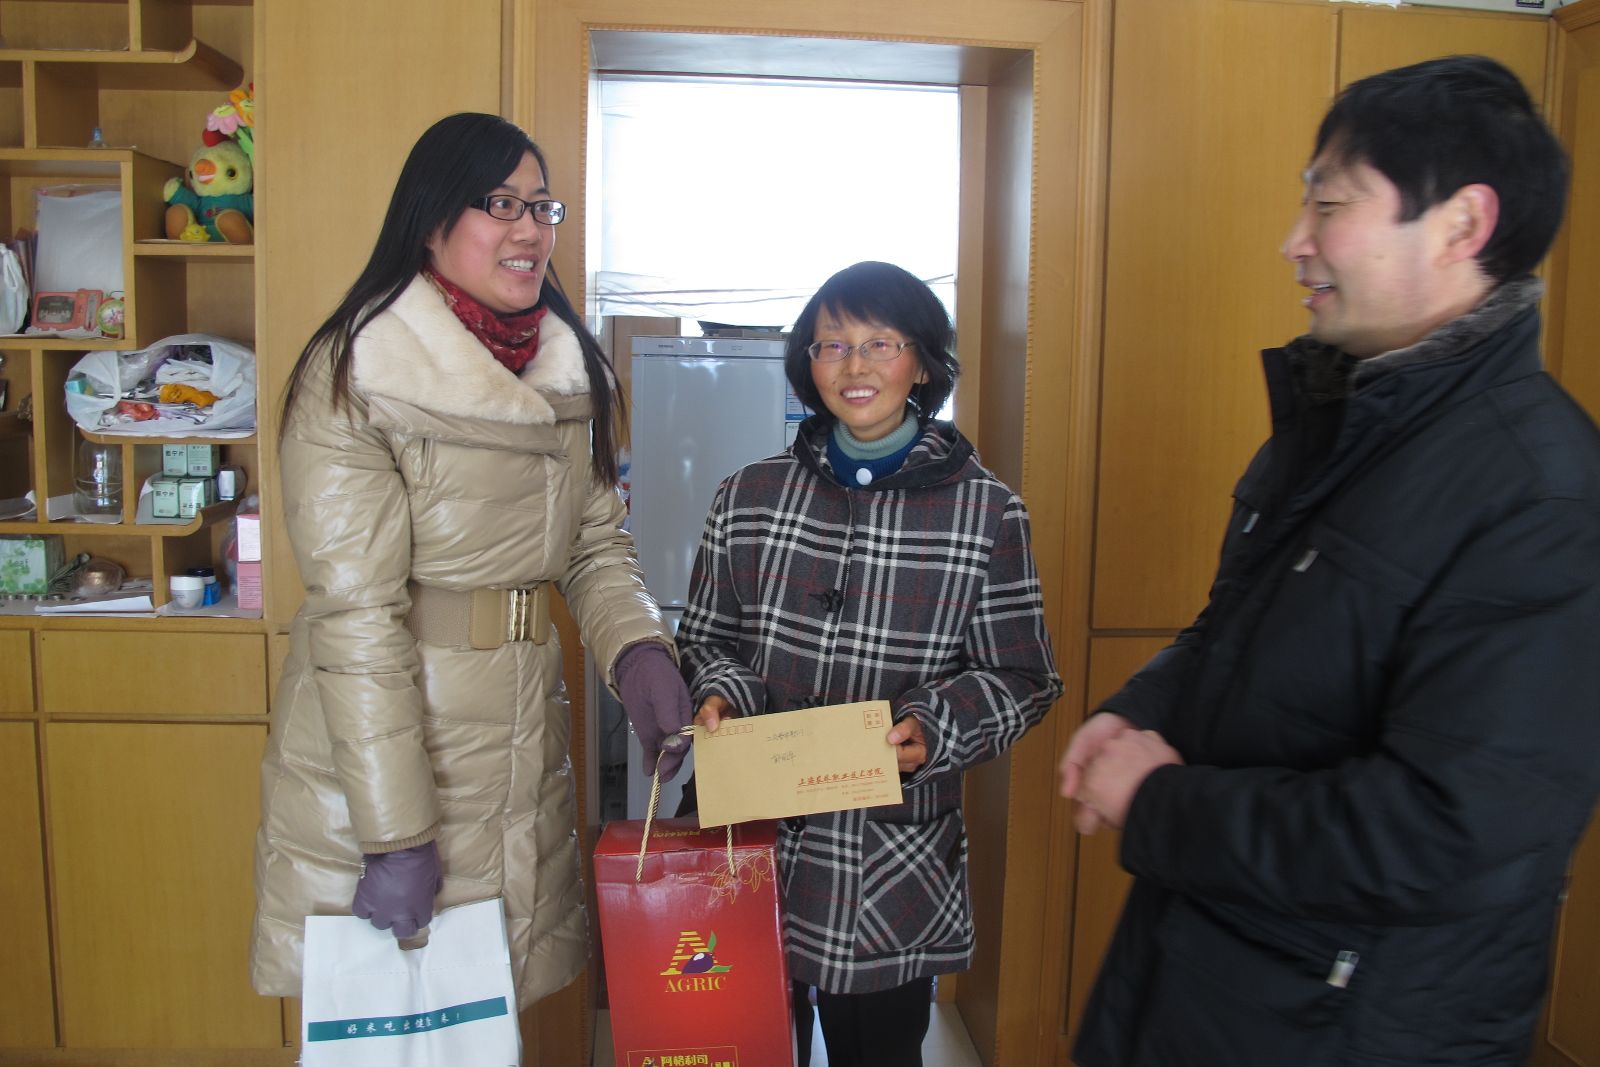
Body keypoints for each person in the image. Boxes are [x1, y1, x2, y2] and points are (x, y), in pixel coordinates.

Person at [1061, 55, 1600, 1066]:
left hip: (1347, 1023)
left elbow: (1442, 830)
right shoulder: (1344, 416)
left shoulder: (1540, 494)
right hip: (1217, 975)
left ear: (1461, 224)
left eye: (1330, 204)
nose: (1294, 240)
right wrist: (1143, 707)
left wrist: (1161, 803)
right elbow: (1236, 632)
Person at [249, 112, 693, 1009]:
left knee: (489, 1012)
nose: (530, 228)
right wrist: (394, 833)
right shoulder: (359, 371)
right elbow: (356, 616)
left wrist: (638, 648)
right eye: (501, 203)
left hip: (522, 731)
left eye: (542, 205)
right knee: (394, 1027)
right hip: (390, 748)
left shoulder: (566, 371)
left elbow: (593, 543)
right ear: (431, 220)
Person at [678, 260, 1062, 1066]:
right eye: (832, 344)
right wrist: (722, 694)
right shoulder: (748, 494)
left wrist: (937, 725)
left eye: (880, 343)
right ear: (807, 363)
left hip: (888, 863)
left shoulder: (987, 511)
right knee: (741, 1043)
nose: (854, 365)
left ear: (922, 363)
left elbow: (1025, 678)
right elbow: (707, 638)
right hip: (752, 840)